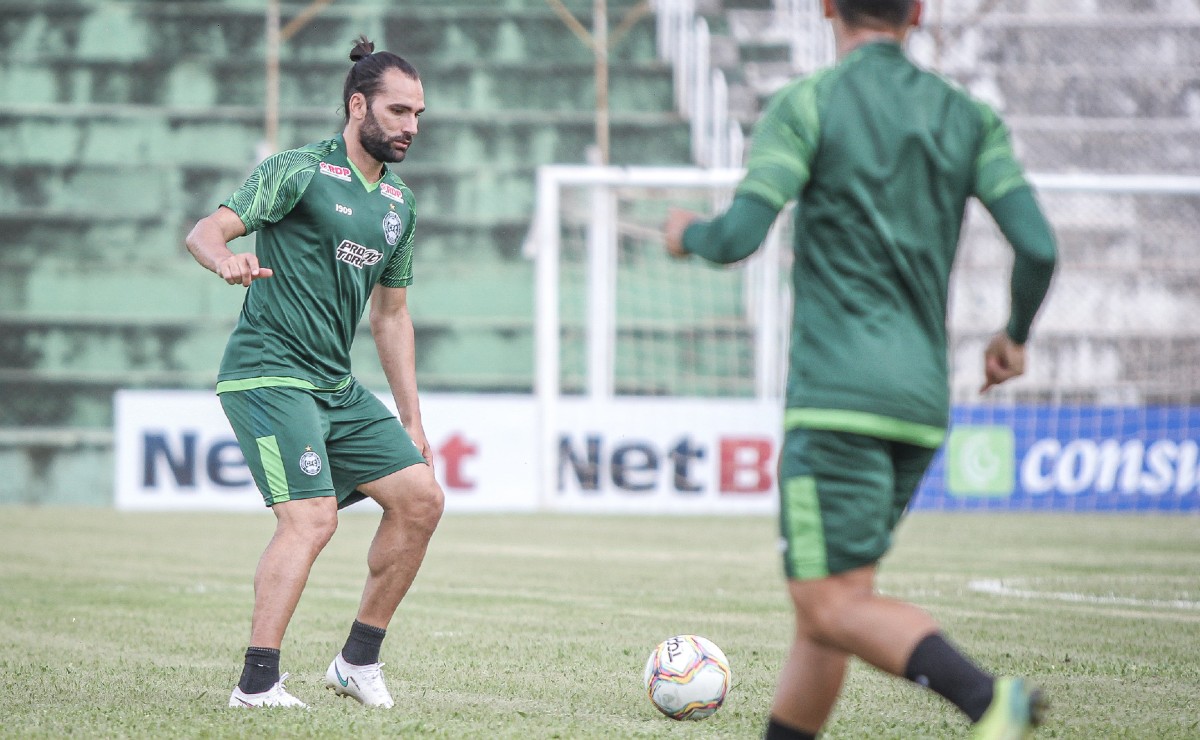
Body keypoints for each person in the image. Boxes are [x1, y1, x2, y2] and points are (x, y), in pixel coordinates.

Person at [664, 1, 1057, 738]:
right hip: (919, 402)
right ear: (917, 13)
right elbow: (1038, 248)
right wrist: (1013, 336)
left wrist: (687, 235)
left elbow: (738, 236)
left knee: (829, 605)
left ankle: (987, 701)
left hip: (837, 401)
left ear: (825, 8)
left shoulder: (807, 104)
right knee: (835, 609)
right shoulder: (967, 115)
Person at [185, 36, 444, 709]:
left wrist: (411, 417)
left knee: (421, 500)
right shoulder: (297, 170)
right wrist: (225, 261)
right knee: (310, 519)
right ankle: (257, 682)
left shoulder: (399, 207)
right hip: (269, 372)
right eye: (398, 111)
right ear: (357, 105)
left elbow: (392, 316)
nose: (411, 126)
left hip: (333, 384)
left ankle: (357, 662)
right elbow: (205, 232)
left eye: (418, 114)